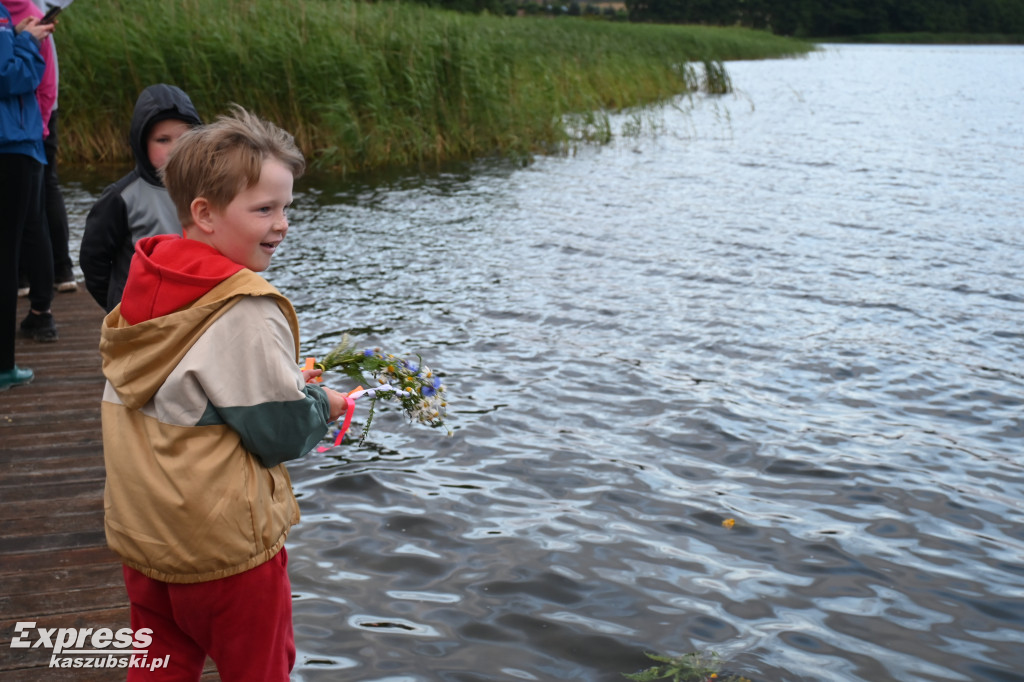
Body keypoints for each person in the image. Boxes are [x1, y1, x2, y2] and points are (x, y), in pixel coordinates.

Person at [99, 106, 350, 681]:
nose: (282, 223)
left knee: (160, 666)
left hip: (146, 538)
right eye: (264, 209)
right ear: (204, 213)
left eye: (286, 206)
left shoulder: (144, 286)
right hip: (223, 552)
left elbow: (193, 389)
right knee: (259, 669)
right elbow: (279, 432)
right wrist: (323, 405)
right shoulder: (244, 308)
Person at [79, 83, 201, 312]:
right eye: (163, 140)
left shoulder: (210, 190)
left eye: (184, 139)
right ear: (142, 143)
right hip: (142, 316)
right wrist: (119, 304)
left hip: (195, 311)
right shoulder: (121, 197)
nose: (175, 149)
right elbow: (93, 259)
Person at [1, 2, 55, 389]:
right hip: (12, 146)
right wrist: (26, 43)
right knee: (7, 256)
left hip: (18, 145)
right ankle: (4, 366)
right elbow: (11, 78)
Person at [8, 0, 75, 296]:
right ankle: (21, 278)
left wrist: (42, 126)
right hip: (17, 128)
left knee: (42, 196)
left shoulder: (34, 16)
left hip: (36, 124)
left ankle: (59, 276)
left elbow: (46, 84)